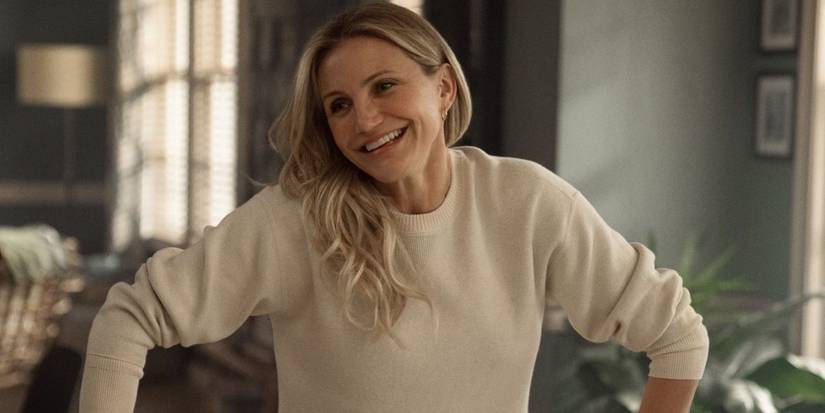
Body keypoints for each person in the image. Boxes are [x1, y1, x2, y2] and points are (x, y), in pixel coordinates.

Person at [79, 3, 708, 412]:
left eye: (384, 86)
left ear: (443, 87)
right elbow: (129, 318)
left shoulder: (527, 202)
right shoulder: (294, 220)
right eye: (340, 105)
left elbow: (677, 336)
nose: (366, 120)